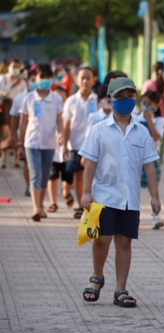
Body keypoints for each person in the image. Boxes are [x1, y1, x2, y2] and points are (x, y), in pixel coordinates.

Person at [79, 77, 161, 307]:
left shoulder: (141, 132)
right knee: (102, 238)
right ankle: (97, 277)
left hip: (130, 198)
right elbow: (90, 163)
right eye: (119, 97)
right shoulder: (99, 130)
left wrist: (155, 196)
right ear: (109, 100)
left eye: (129, 96)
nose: (125, 101)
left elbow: (149, 166)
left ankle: (120, 289)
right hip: (104, 195)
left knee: (124, 242)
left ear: (135, 99)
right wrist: (86, 192)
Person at [17, 64, 64, 221]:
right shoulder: (28, 98)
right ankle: (36, 208)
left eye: (47, 77)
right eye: (41, 77)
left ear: (52, 79)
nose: (44, 80)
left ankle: (41, 206)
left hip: (49, 143)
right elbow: (23, 122)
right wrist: (20, 142)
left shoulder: (56, 99)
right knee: (35, 174)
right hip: (31, 143)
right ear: (35, 79)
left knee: (44, 176)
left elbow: (60, 121)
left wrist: (61, 134)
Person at [63, 67, 98, 219]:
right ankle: (81, 206)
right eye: (82, 78)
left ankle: (93, 204)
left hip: (95, 146)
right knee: (78, 176)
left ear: (93, 80)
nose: (85, 81)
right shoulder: (71, 101)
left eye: (88, 78)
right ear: (76, 80)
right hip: (76, 145)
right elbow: (66, 125)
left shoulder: (98, 100)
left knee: (93, 177)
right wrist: (64, 145)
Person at [133, 91, 164, 229]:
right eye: (144, 103)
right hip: (136, 156)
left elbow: (157, 137)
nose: (146, 106)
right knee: (134, 187)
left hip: (151, 157)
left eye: (150, 104)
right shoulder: (134, 118)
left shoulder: (160, 120)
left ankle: (155, 215)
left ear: (156, 106)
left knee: (153, 188)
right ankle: (133, 215)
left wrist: (150, 120)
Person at [46, 87, 74, 213]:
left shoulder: (69, 115)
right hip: (53, 151)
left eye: (61, 98)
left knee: (68, 179)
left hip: (67, 151)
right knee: (52, 177)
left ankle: (66, 193)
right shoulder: (48, 113)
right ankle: (53, 202)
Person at [9, 68, 36, 196]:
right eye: (32, 80)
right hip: (25, 137)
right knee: (27, 162)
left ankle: (37, 186)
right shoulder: (20, 98)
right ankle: (29, 186)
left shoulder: (50, 97)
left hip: (43, 138)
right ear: (27, 81)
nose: (35, 82)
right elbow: (14, 118)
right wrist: (13, 135)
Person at [0, 59, 27, 169]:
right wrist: (11, 86)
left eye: (17, 66)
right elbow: (1, 92)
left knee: (15, 132)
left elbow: (25, 94)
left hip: (18, 107)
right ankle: (4, 160)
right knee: (5, 132)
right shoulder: (3, 78)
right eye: (13, 66)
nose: (15, 68)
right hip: (5, 106)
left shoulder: (22, 81)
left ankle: (16, 158)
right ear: (9, 66)